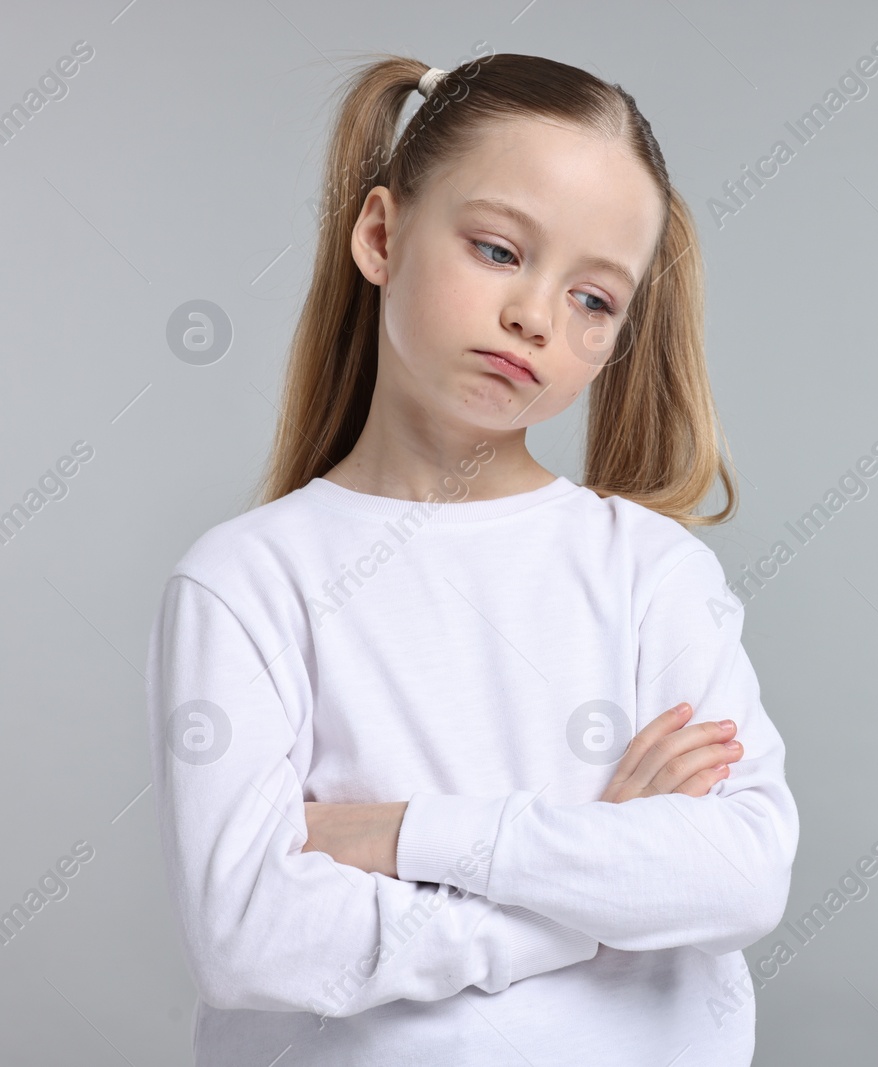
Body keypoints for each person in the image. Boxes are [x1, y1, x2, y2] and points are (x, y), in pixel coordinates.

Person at [143, 51, 798, 1066]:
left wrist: (400, 833)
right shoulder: (246, 583)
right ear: (380, 234)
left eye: (594, 300)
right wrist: (586, 896)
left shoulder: (651, 573)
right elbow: (253, 938)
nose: (536, 315)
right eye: (498, 249)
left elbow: (739, 874)